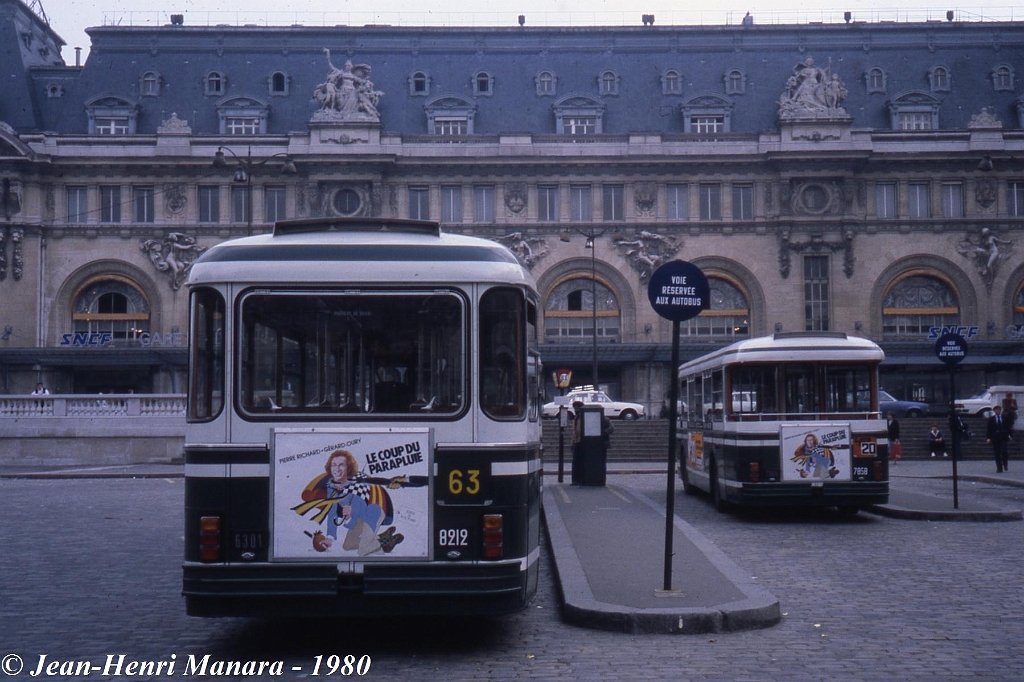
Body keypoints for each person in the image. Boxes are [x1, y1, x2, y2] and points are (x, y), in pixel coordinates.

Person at [986, 405, 1012, 473]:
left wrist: (1010, 435)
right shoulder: (991, 419)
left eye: (999, 410)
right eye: (996, 410)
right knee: (997, 453)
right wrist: (988, 438)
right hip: (995, 438)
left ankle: (1005, 463)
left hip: (1003, 437)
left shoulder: (1005, 418)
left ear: (1000, 410)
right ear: (994, 411)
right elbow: (989, 429)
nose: (997, 411)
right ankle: (999, 468)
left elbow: (1009, 428)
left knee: (1004, 451)